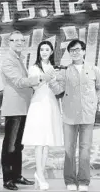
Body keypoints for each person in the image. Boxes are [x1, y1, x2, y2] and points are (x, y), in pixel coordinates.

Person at [48, 39, 100, 192]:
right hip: (69, 116)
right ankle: (70, 181)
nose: (75, 52)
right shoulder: (64, 71)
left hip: (87, 115)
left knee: (85, 149)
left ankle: (84, 181)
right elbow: (58, 91)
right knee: (69, 149)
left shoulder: (94, 70)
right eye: (72, 50)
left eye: (78, 49)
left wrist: (94, 103)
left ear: (84, 51)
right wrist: (51, 80)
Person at [0, 31, 51, 191]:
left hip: (23, 107)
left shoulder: (18, 58)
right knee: (9, 145)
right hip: (14, 108)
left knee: (18, 145)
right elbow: (19, 81)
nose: (20, 43)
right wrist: (41, 78)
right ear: (9, 42)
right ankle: (8, 179)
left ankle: (17, 176)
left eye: (22, 40)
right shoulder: (8, 60)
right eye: (16, 41)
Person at [22, 41, 64, 190]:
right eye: (42, 49)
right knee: (38, 141)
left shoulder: (54, 68)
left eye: (47, 49)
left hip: (51, 104)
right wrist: (46, 76)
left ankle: (40, 173)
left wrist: (56, 79)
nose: (44, 52)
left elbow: (58, 90)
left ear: (52, 52)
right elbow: (34, 86)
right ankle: (40, 174)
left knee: (46, 142)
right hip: (38, 104)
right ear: (39, 52)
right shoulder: (33, 68)